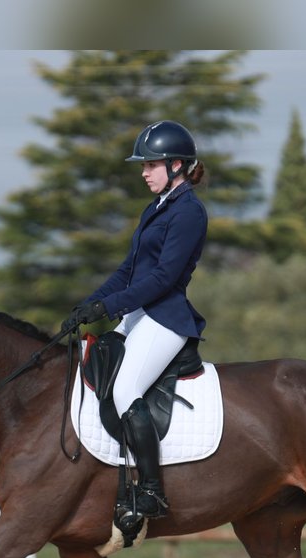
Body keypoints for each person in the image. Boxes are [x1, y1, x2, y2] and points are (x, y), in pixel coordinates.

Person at [63, 120, 208, 520]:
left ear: (177, 165)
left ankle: (151, 491)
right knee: (95, 377)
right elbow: (128, 271)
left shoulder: (189, 212)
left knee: (126, 389)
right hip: (140, 314)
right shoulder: (155, 208)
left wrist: (110, 308)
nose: (143, 172)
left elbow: (163, 279)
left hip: (166, 318)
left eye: (150, 165)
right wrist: (89, 305)